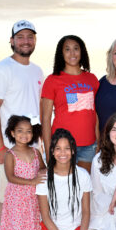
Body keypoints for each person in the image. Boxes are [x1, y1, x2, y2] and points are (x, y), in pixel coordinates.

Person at [0, 20, 43, 230]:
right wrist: (0, 146)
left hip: (34, 145)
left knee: (32, 194)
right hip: (9, 147)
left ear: (34, 41)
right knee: (6, 195)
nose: (25, 41)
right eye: (20, 37)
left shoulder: (38, 70)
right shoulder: (2, 69)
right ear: (12, 41)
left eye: (30, 36)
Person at [36, 129, 98, 230]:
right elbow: (45, 217)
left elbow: (86, 211)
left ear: (73, 151)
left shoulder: (82, 175)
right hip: (53, 229)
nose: (62, 153)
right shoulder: (44, 178)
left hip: (75, 227)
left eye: (67, 149)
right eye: (58, 149)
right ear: (52, 151)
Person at [41, 35, 99, 173]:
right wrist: (49, 151)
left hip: (89, 145)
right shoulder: (52, 80)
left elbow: (95, 113)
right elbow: (46, 119)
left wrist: (98, 141)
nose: (72, 53)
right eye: (67, 49)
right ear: (61, 54)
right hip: (62, 146)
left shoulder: (92, 79)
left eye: (76, 49)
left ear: (82, 51)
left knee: (83, 187)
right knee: (64, 187)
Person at [0, 115, 46, 230]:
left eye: (28, 131)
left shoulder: (35, 152)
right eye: (20, 131)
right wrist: (31, 181)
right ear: (12, 133)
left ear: (33, 134)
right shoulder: (10, 154)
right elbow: (10, 177)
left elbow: (43, 169)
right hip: (17, 197)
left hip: (33, 197)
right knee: (20, 229)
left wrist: (42, 173)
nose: (24, 135)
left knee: (34, 227)